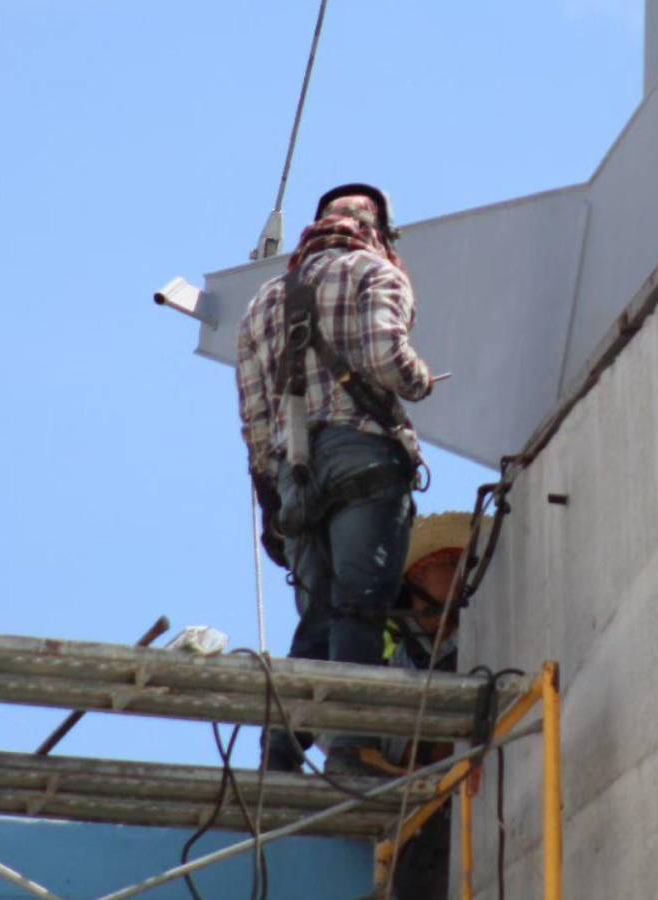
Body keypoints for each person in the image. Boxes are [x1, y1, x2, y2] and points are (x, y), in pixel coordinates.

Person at [236, 184, 434, 772]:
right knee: (359, 607)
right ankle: (349, 746)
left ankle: (279, 749)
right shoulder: (375, 272)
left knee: (317, 614)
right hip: (361, 457)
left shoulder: (263, 301)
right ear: (376, 228)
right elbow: (383, 355)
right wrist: (420, 380)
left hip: (294, 473)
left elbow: (253, 421)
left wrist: (275, 500)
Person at [382, 512, 479, 900]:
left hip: (463, 812)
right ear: (418, 576)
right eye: (446, 565)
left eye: (461, 564)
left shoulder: (479, 637)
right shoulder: (399, 655)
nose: (457, 573)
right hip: (414, 816)